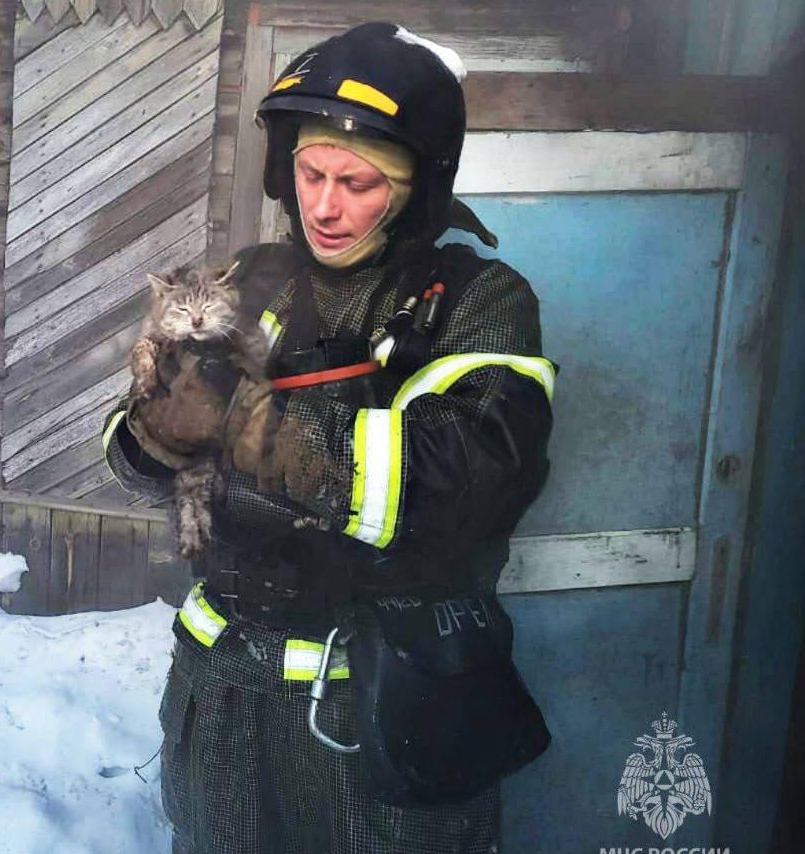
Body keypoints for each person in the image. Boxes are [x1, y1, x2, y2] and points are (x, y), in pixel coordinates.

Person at [102, 22, 555, 854]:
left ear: (416, 189)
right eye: (310, 173)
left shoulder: (478, 303)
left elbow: (463, 483)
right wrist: (152, 429)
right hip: (225, 698)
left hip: (378, 717)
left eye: (358, 181)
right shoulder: (251, 281)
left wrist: (247, 430)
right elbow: (141, 459)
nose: (324, 204)